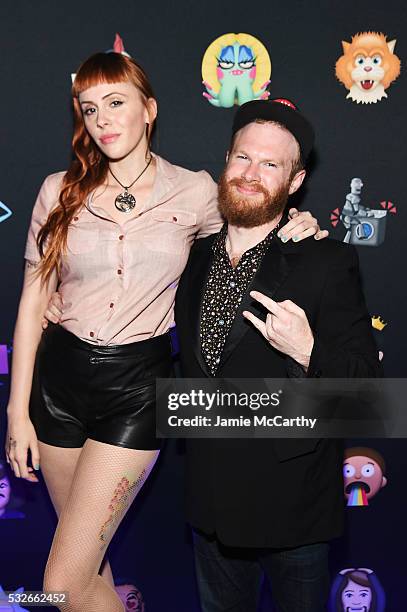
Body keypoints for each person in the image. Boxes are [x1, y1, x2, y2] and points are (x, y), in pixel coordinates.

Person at [4, 50, 322, 612]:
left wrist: (299, 218)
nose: (102, 119)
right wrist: (17, 411)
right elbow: (33, 301)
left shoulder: (196, 190)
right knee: (88, 568)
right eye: (89, 107)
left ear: (149, 110)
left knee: (59, 580)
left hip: (136, 391)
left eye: (117, 102)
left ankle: (19, 601)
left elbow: (251, 221)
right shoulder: (59, 191)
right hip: (57, 386)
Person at [174, 99, 382, 611]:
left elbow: (365, 394)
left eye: (271, 164)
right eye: (243, 158)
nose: (251, 174)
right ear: (226, 160)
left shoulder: (326, 260)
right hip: (210, 508)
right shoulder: (191, 255)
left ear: (295, 181)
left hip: (294, 514)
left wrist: (309, 350)